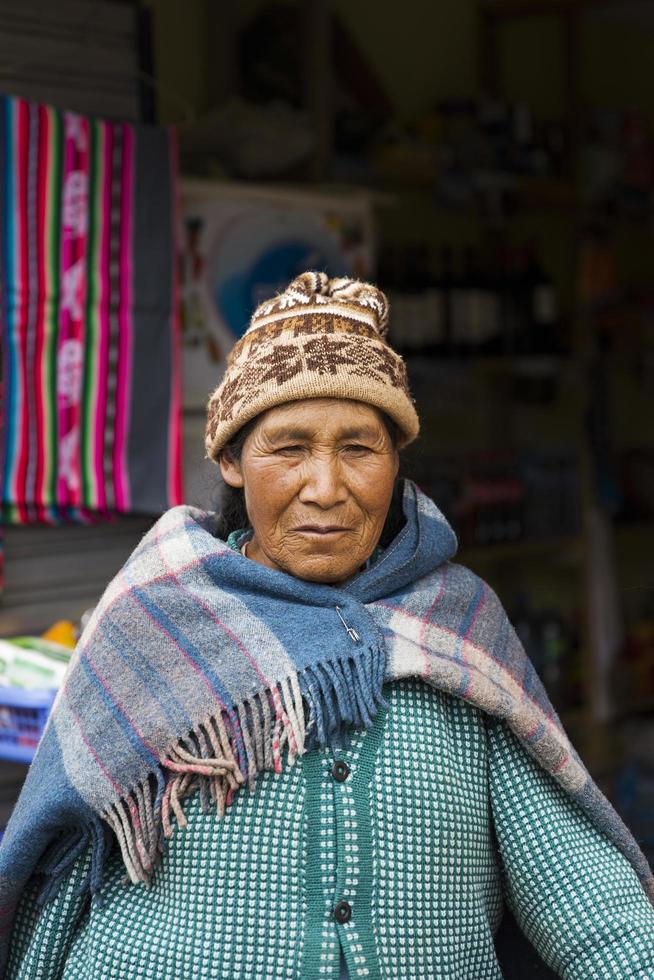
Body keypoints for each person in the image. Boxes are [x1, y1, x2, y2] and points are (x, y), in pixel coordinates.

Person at [1, 271, 654, 980]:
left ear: (396, 463)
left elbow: (588, 900)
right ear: (230, 461)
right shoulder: (156, 620)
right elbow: (54, 881)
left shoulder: (460, 626)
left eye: (359, 448)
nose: (325, 486)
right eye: (287, 448)